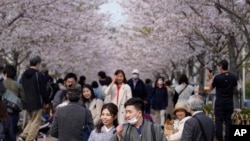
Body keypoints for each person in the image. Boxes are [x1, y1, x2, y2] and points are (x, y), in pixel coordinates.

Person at [18, 55, 50, 141]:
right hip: (36, 102)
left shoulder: (24, 74)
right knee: (36, 122)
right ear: (37, 64)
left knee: (31, 120)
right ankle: (29, 139)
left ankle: (22, 136)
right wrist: (47, 101)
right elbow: (42, 89)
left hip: (26, 101)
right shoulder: (37, 74)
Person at [210, 60, 237, 141]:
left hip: (220, 102)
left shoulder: (217, 77)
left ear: (221, 66)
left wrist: (211, 77)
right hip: (229, 102)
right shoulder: (233, 77)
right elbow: (235, 88)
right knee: (228, 121)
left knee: (219, 121)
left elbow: (210, 88)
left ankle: (219, 138)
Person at [2, 65, 25, 138]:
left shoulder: (1, 83)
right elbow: (23, 99)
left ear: (5, 74)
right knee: (12, 132)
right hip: (14, 111)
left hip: (2, 112)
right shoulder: (18, 85)